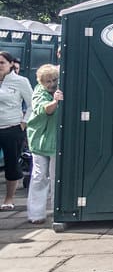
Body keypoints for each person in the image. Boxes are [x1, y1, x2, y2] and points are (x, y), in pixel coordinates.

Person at [26, 64, 61, 224]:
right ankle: (36, 214)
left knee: (56, 177)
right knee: (39, 176)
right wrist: (55, 101)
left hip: (55, 140)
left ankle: (57, 210)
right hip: (40, 139)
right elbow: (45, 110)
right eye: (48, 81)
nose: (51, 84)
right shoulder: (39, 92)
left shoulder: (60, 88)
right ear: (40, 82)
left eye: (54, 80)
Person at [0, 51, 33, 210]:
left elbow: (32, 104)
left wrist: (23, 123)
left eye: (2, 63)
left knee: (11, 164)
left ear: (10, 64)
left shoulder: (20, 81)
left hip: (12, 128)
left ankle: (9, 199)